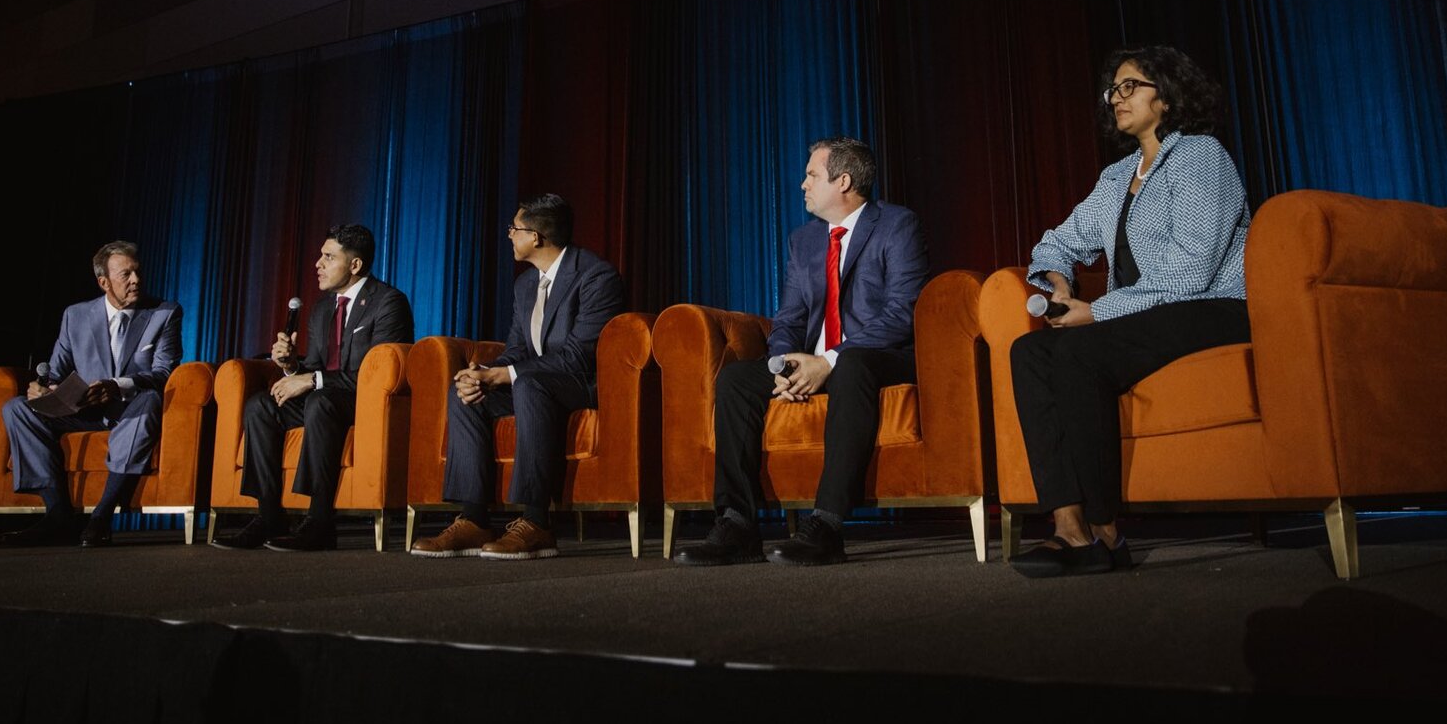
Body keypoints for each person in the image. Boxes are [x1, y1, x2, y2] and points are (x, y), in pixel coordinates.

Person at [1009, 45, 1251, 578]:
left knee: (1078, 353)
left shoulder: (1199, 157)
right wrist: (1058, 282)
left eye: (1129, 87)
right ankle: (1069, 528)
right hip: (1142, 315)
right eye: (1112, 91)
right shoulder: (1117, 178)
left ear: (1165, 96)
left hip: (1213, 307)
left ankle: (1108, 532)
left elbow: (1190, 271)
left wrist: (1095, 312)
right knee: (1028, 351)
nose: (1116, 99)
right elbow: (1057, 242)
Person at [673, 137, 928, 567]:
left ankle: (825, 526)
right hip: (814, 360)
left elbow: (902, 312)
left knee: (852, 365)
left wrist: (828, 360)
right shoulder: (804, 240)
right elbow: (789, 316)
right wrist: (783, 365)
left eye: (811, 174)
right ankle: (737, 524)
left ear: (843, 180)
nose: (802, 184)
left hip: (879, 357)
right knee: (735, 379)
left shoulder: (896, 224)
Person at [411, 194, 624, 561]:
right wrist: (482, 372)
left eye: (514, 228)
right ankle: (474, 518)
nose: (509, 235)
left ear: (537, 237)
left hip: (580, 384)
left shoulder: (595, 276)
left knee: (527, 382)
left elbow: (577, 356)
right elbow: (516, 350)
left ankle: (537, 521)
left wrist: (507, 373)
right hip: (535, 382)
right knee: (466, 390)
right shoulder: (525, 285)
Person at [214, 224, 413, 552]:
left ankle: (320, 521)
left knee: (320, 401)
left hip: (363, 401)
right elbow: (317, 368)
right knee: (260, 405)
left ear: (355, 265)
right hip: (324, 396)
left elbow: (380, 372)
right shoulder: (322, 308)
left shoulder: (388, 302)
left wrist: (311, 380)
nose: (317, 264)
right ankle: (269, 515)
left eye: (328, 257)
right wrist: (292, 365)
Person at [0, 241, 183, 547]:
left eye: (137, 272)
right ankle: (57, 513)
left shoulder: (164, 313)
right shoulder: (76, 315)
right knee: (16, 408)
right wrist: (44, 389)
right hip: (81, 411)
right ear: (104, 282)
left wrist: (115, 385)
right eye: (126, 275)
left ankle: (102, 515)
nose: (136, 280)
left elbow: (163, 374)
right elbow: (57, 371)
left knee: (150, 399)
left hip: (130, 410)